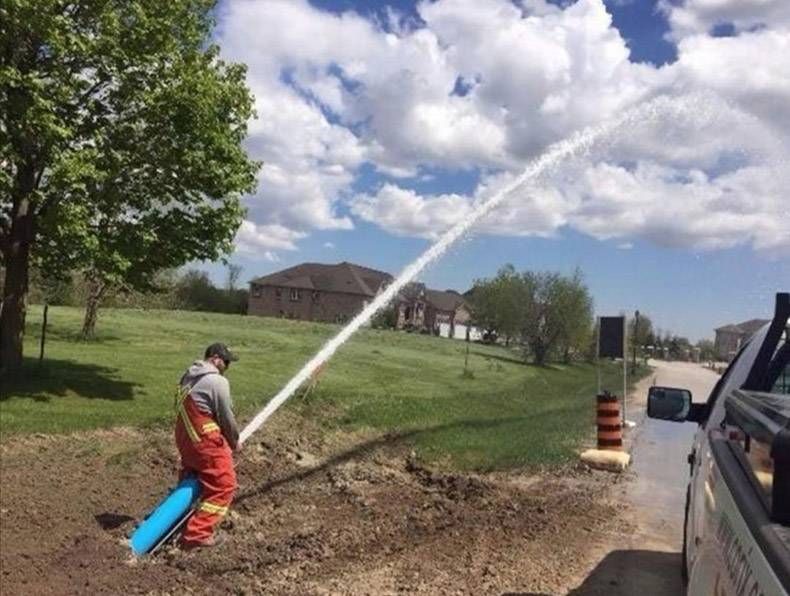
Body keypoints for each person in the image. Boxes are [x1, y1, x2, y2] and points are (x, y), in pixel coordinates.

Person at [174, 342, 240, 548]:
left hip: (186, 440)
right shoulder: (216, 381)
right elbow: (226, 417)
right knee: (224, 485)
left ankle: (175, 524)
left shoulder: (188, 377)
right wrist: (234, 442)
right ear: (215, 359)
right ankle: (197, 534)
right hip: (204, 441)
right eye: (226, 362)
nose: (226, 367)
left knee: (193, 480)